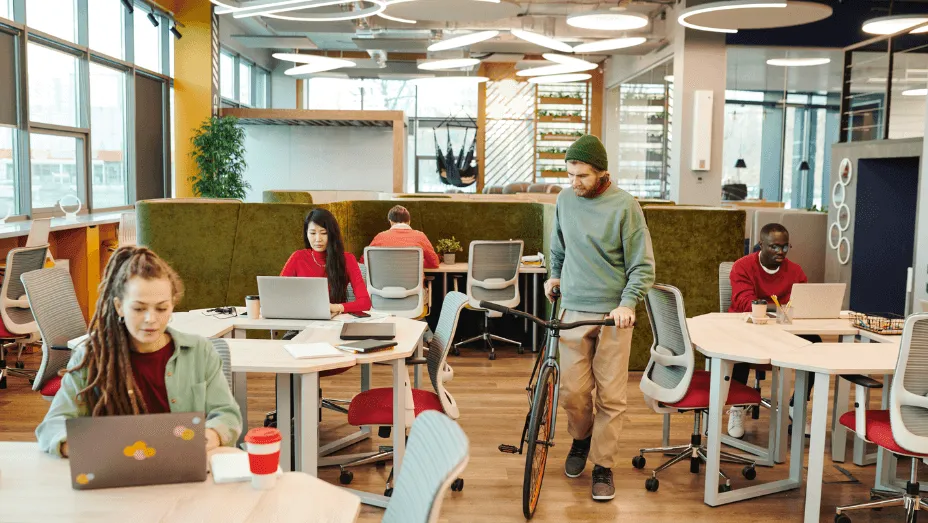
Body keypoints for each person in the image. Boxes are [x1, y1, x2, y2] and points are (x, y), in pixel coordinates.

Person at [36, 246, 243, 457]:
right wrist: (79, 445)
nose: (151, 319)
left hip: (185, 465)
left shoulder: (200, 351)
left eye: (161, 308)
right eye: (139, 308)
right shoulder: (92, 357)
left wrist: (211, 435)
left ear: (172, 305)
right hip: (116, 467)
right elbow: (52, 425)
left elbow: (227, 414)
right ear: (119, 306)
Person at [545, 134, 655, 501]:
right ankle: (582, 438)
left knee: (611, 396)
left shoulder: (626, 206)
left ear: (602, 173)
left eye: (582, 176)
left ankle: (603, 465)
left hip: (613, 315)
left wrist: (627, 304)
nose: (574, 182)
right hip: (573, 308)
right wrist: (555, 276)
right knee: (573, 392)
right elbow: (558, 247)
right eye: (570, 174)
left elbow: (643, 266)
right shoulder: (565, 200)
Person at [726, 223, 814, 438]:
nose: (780, 252)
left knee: (814, 345)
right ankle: (737, 406)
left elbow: (802, 302)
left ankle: (797, 405)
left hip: (783, 329)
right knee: (740, 348)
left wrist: (783, 309)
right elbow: (746, 303)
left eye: (785, 247)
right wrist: (783, 308)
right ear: (761, 245)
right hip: (747, 326)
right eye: (774, 247)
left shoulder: (795, 271)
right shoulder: (742, 266)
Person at [281, 208, 372, 315]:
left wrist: (336, 307)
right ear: (306, 234)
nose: (318, 239)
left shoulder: (347, 259)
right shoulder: (298, 257)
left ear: (332, 234)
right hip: (302, 318)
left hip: (334, 320)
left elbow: (365, 302)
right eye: (312, 233)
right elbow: (279, 294)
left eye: (324, 233)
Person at [364, 205, 440, 269]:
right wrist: (418, 263)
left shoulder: (380, 237)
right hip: (412, 282)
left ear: (390, 221)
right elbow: (434, 263)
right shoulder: (420, 236)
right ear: (409, 221)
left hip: (382, 282)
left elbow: (364, 261)